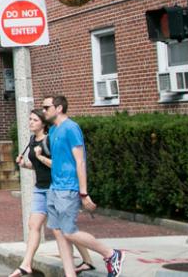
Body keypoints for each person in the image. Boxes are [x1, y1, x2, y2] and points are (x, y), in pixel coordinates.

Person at [42, 95, 125, 277]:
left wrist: (83, 192)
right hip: (55, 187)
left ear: (59, 108)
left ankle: (111, 254)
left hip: (68, 187)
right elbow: (56, 161)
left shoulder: (71, 128)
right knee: (59, 233)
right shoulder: (54, 131)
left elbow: (80, 161)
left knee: (69, 232)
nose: (43, 111)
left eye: (46, 107)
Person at [11, 109, 95, 277]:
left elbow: (58, 165)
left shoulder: (50, 141)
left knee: (66, 229)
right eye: (30, 119)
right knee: (33, 225)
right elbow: (38, 167)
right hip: (39, 188)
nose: (30, 122)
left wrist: (41, 157)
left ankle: (88, 260)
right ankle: (26, 264)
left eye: (34, 120)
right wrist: (24, 164)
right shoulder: (32, 140)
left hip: (54, 188)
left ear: (43, 123)